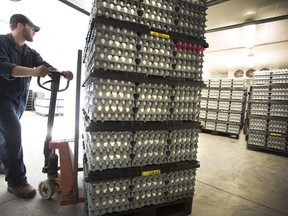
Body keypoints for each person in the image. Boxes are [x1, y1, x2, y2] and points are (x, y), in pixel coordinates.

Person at [0, 14, 74, 198]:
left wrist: (61, 73)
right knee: (13, 131)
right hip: (2, 99)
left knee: (6, 133)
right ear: (20, 25)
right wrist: (34, 72)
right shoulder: (2, 43)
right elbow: (4, 67)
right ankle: (16, 182)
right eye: (33, 28)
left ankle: (3, 161)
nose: (35, 32)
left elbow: (44, 65)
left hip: (19, 100)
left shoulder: (29, 52)